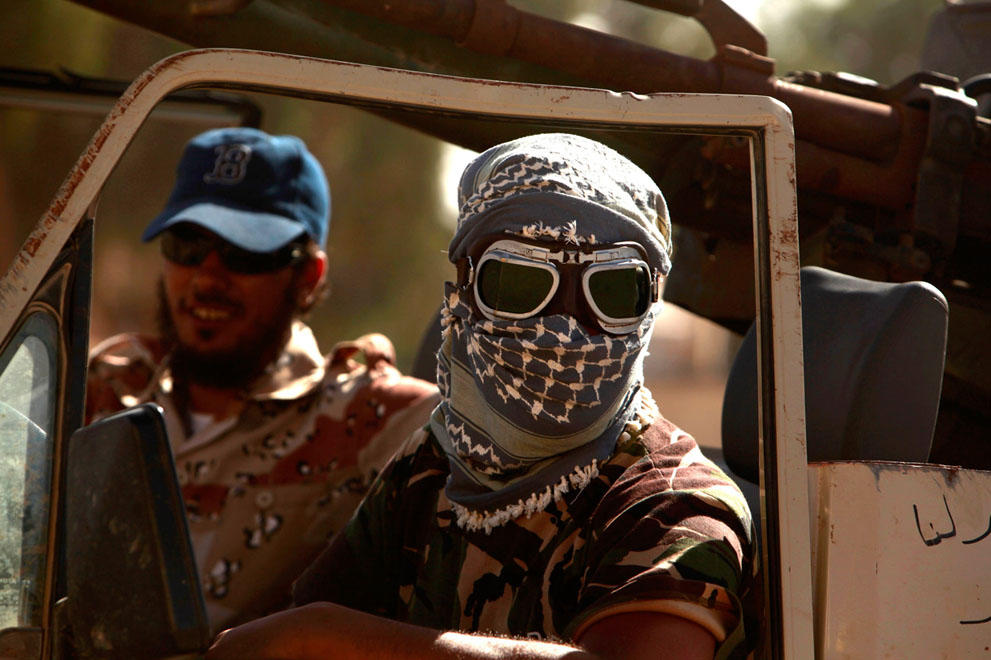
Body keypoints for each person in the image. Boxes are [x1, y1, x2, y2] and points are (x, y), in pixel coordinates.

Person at [206, 133, 757, 659]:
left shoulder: (675, 503)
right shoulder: (434, 463)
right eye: (520, 285)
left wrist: (332, 638)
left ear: (648, 310)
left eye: (611, 292)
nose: (564, 327)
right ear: (465, 290)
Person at [85, 127, 439, 631]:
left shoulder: (369, 421)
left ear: (308, 277)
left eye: (244, 252)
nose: (207, 278)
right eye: (187, 244)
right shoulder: (98, 393)